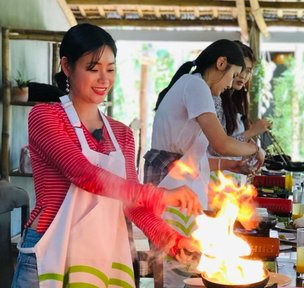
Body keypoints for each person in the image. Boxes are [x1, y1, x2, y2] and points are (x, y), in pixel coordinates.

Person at [11, 23, 202, 288]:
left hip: (102, 257)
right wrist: (159, 195)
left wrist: (170, 238)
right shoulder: (45, 116)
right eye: (93, 68)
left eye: (110, 69)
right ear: (67, 66)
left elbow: (129, 200)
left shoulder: (121, 134)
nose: (104, 79)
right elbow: (84, 174)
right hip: (49, 251)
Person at [144, 39, 265, 287]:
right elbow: (221, 143)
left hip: (181, 186)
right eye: (232, 75)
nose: (232, 83)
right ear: (221, 63)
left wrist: (233, 166)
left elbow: (198, 156)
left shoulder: (198, 88)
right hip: (171, 186)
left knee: (186, 269)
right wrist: (256, 148)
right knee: (176, 271)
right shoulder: (195, 85)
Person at [208, 41, 271, 185]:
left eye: (248, 71)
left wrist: (253, 145)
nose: (243, 75)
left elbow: (229, 140)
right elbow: (216, 148)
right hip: (213, 180)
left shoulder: (234, 100)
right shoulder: (214, 98)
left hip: (228, 180)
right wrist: (252, 133)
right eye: (241, 69)